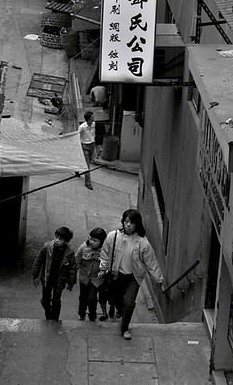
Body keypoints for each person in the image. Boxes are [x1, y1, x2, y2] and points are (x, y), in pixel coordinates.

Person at [99, 209, 164, 340]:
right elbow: (105, 253)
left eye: (132, 222)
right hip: (116, 275)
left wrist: (159, 279)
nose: (128, 225)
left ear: (137, 224)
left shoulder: (142, 242)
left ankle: (124, 328)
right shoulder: (113, 236)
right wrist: (103, 268)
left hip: (132, 277)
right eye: (126, 221)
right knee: (116, 299)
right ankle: (120, 310)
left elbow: (151, 262)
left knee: (129, 303)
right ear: (122, 222)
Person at [32, 226, 76, 321]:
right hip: (47, 278)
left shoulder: (69, 253)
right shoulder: (47, 247)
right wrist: (35, 276)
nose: (57, 240)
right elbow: (38, 261)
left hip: (59, 280)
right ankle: (48, 315)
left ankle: (55, 318)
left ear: (66, 241)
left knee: (56, 300)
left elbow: (72, 268)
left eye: (60, 239)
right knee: (46, 299)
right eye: (56, 237)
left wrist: (71, 282)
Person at [74, 227, 107, 322]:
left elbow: (108, 264)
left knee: (92, 298)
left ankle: (92, 315)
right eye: (90, 239)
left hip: (96, 280)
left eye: (95, 240)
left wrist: (103, 271)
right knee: (83, 297)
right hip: (84, 278)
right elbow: (77, 261)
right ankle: (81, 314)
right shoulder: (83, 248)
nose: (91, 241)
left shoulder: (105, 251)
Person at [78, 111, 96, 190]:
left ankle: (77, 169)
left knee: (87, 162)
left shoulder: (94, 124)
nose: (94, 118)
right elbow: (77, 136)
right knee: (87, 165)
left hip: (92, 145)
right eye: (92, 117)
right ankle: (88, 183)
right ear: (88, 119)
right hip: (84, 146)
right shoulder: (82, 127)